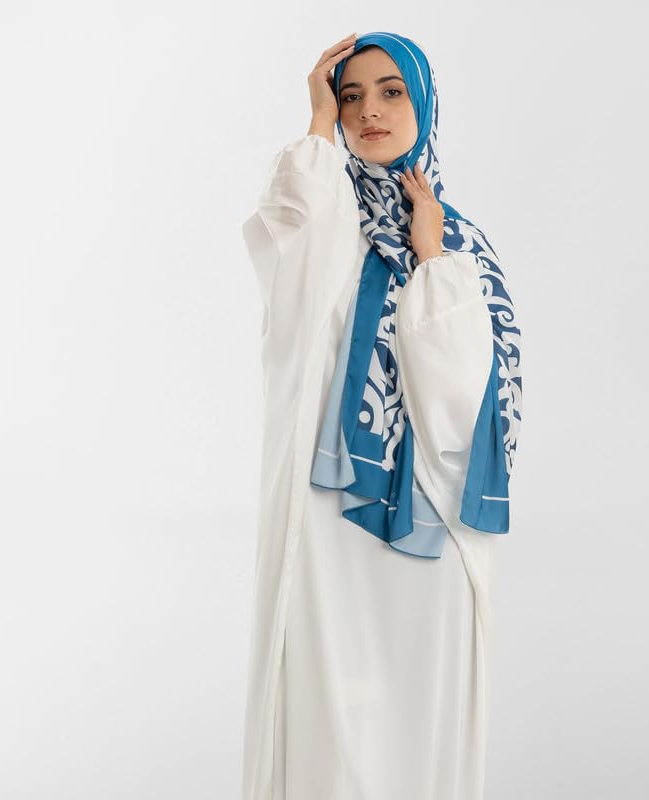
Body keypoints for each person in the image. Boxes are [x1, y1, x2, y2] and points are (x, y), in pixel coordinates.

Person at [240, 30, 523, 800]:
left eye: (392, 91)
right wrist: (313, 120)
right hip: (324, 533)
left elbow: (462, 412)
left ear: (424, 105)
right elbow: (290, 221)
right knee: (326, 732)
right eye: (351, 95)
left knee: (416, 737)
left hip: (430, 536)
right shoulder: (326, 233)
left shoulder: (461, 248)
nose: (369, 111)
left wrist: (431, 261)